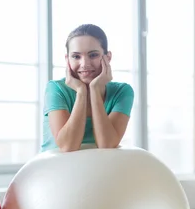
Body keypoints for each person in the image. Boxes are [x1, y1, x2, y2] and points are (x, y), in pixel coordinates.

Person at [41, 24, 134, 152]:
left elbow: (106, 145)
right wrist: (81, 92)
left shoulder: (122, 92)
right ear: (67, 60)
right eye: (76, 56)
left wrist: (94, 89)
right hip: (57, 170)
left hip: (99, 169)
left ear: (108, 57)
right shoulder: (56, 89)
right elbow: (68, 146)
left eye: (93, 55)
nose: (85, 64)